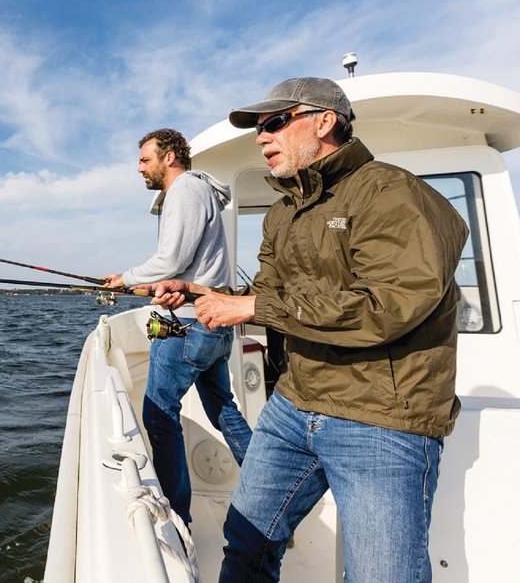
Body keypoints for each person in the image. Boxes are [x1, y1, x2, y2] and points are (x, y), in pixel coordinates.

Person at [151, 77, 468, 582]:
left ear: (325, 122)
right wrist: (199, 295)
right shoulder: (282, 214)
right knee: (246, 542)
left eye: (275, 122)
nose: (262, 136)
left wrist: (254, 304)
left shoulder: (394, 193)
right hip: (295, 404)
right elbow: (270, 295)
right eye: (259, 128)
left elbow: (391, 304)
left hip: (382, 418)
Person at [103, 128, 252, 526]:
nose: (139, 169)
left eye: (144, 160)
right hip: (206, 322)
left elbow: (170, 260)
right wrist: (141, 281)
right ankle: (266, 493)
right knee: (223, 410)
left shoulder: (184, 189)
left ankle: (178, 517)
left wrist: (126, 278)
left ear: (170, 157)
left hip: (186, 323)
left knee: (158, 415)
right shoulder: (199, 191)